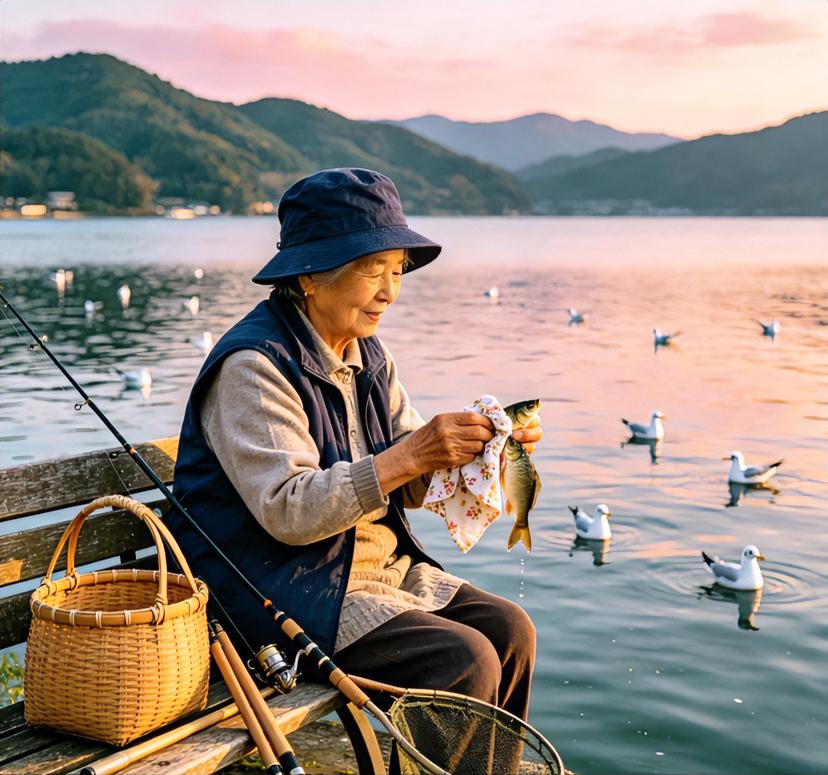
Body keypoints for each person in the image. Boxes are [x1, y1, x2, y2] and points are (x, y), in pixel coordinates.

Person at [169, 168, 541, 725]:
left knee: (511, 632)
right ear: (310, 277)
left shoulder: (369, 355)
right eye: (373, 271)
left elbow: (412, 484)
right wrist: (413, 453)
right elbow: (289, 511)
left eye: (397, 271)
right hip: (280, 592)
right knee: (463, 662)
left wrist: (476, 448)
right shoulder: (253, 367)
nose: (390, 292)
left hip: (374, 572)